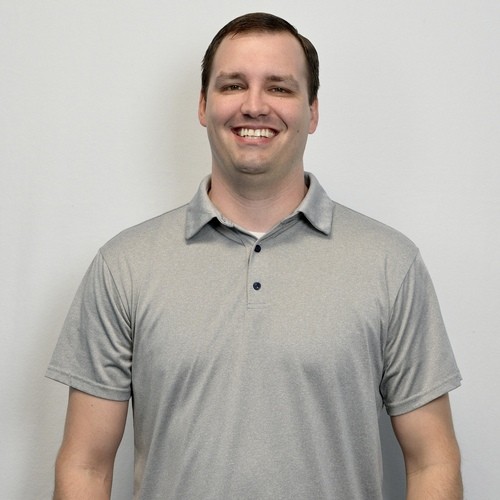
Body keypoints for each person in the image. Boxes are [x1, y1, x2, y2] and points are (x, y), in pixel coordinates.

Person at [47, 12, 463, 500]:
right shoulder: (124, 267)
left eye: (279, 88)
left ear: (312, 111)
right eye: (233, 85)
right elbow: (86, 466)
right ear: (203, 105)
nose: (254, 105)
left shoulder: (390, 264)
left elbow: (433, 461)